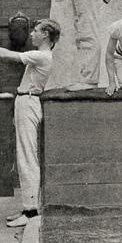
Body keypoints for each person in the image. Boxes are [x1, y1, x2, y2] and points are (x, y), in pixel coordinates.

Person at [0, 19, 61, 228]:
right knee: (25, 155)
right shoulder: (40, 55)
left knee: (27, 156)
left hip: (29, 103)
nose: (32, 34)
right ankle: (28, 207)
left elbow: (7, 55)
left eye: (35, 31)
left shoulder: (42, 55)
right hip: (24, 101)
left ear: (46, 35)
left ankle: (31, 211)